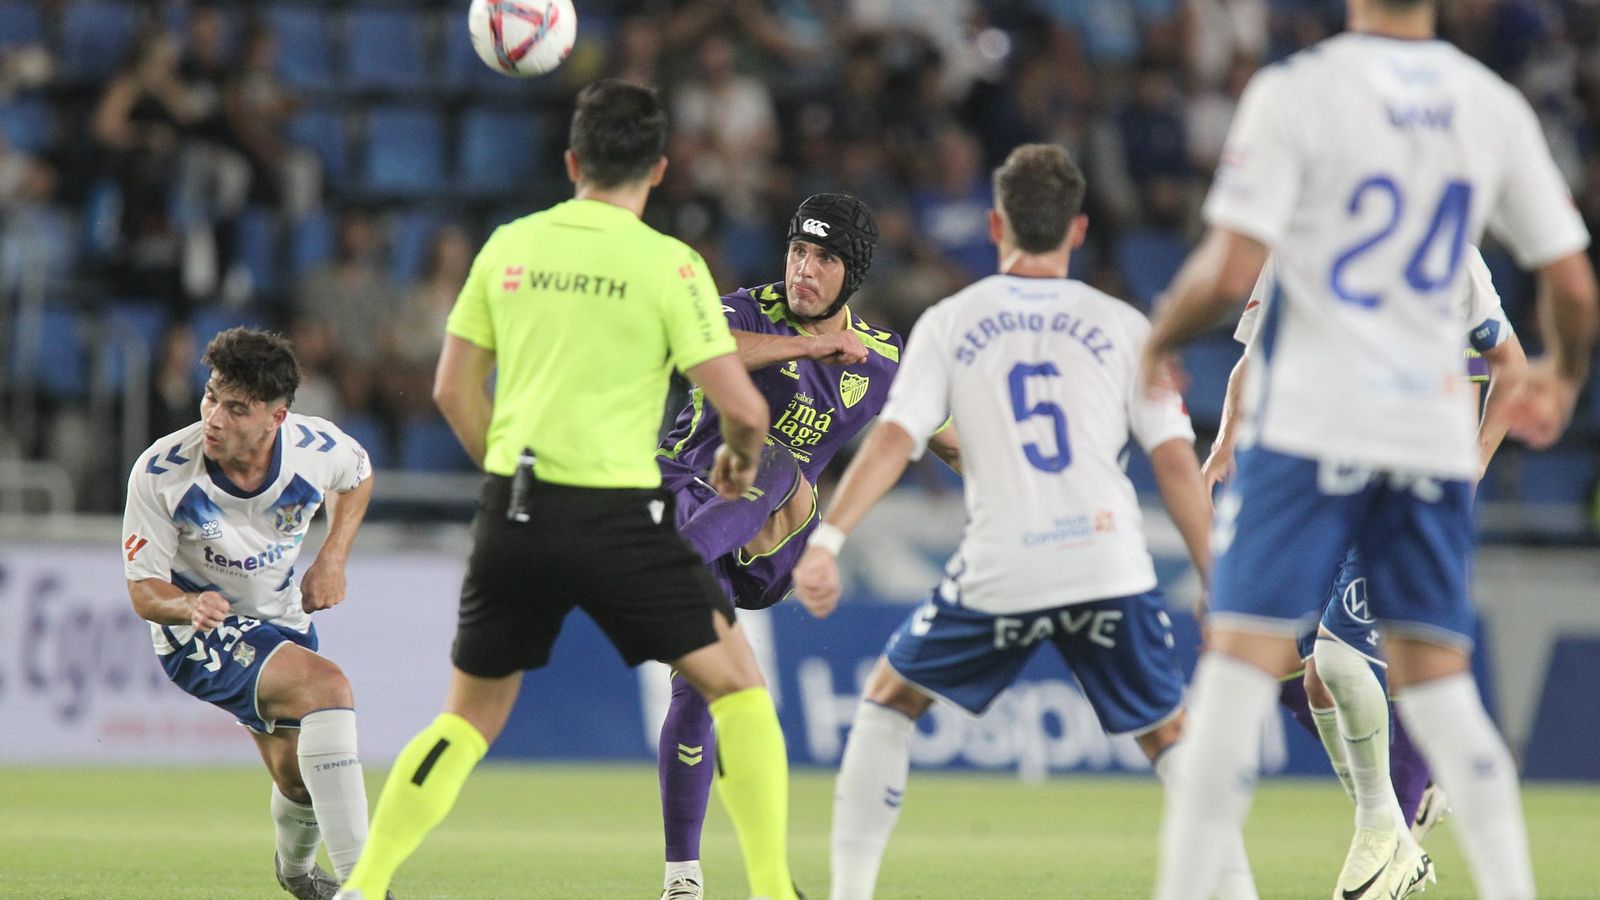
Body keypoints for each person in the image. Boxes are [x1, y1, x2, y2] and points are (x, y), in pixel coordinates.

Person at [1139, 0, 1599, 897]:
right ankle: (1414, 840)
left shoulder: (1296, 95)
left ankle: (1314, 851)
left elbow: (1227, 272)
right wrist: (1566, 378)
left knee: (1239, 680)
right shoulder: (1487, 103)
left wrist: (1156, 340)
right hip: (1419, 446)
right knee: (1426, 690)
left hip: (1315, 438)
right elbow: (1571, 284)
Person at [333, 80, 798, 900]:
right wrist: (734, 456)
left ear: (573, 161)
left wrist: (507, 475)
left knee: (465, 721)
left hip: (514, 511)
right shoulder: (670, 263)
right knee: (738, 686)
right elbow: (745, 407)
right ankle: (770, 887)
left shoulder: (509, 246)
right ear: (658, 170)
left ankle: (364, 888)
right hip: (621, 518)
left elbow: (451, 390)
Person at [791, 143, 1252, 900]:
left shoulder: (949, 320)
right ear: (1077, 231)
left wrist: (830, 541)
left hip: (1004, 564)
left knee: (889, 700)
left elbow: (896, 439)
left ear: (994, 222)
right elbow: (1174, 461)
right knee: (1172, 737)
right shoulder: (1128, 326)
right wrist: (1214, 579)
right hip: (1108, 561)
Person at [652, 192, 961, 900]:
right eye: (797, 250)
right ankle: (682, 880)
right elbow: (702, 347)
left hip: (771, 534)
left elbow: (950, 444)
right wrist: (808, 343)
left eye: (823, 258)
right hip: (682, 498)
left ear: (850, 275)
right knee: (700, 691)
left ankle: (665, 580)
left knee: (773, 456)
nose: (804, 269)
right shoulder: (740, 310)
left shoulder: (883, 360)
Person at [1203, 247, 1528, 899]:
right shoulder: (1299, 233)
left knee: (1343, 665)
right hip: (1309, 479)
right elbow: (1253, 358)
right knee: (1307, 675)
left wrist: (1475, 463)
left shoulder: (1448, 249)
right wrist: (1225, 438)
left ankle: (1394, 828)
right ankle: (1401, 823)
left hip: (1402, 484)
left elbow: (1508, 367)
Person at [122, 327, 377, 900]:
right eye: (211, 396)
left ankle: (295, 873)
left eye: (236, 408)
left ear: (276, 417)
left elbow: (357, 478)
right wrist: (187, 605)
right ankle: (366, 887)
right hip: (197, 634)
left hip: (280, 620)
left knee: (300, 778)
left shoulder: (316, 449)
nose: (214, 417)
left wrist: (332, 556)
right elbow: (143, 591)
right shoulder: (162, 473)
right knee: (329, 688)